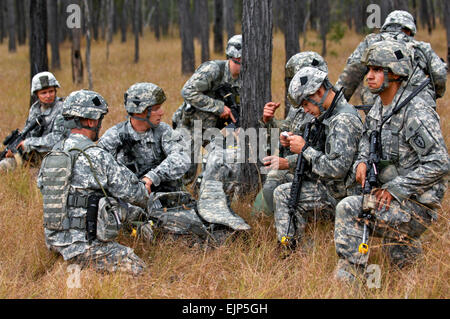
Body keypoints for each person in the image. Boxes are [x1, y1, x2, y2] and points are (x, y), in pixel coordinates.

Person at [333, 40, 449, 283]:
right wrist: (361, 162)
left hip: (416, 205)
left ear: (395, 74)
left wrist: (397, 189)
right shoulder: (380, 107)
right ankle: (408, 267)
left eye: (377, 71)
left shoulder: (415, 111)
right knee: (403, 266)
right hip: (393, 194)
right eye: (369, 70)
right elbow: (368, 139)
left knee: (348, 208)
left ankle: (350, 280)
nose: (369, 77)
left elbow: (439, 162)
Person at [38, 90, 151, 276]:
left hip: (54, 242)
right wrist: (145, 187)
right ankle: (82, 269)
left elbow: (43, 187)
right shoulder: (97, 156)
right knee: (141, 271)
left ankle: (66, 265)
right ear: (91, 121)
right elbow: (135, 194)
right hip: (85, 247)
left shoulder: (54, 153)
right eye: (99, 119)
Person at [272, 67, 363, 250]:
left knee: (283, 194)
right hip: (333, 188)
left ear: (319, 92)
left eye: (306, 104)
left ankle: (290, 250)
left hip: (343, 194)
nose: (306, 110)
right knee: (284, 190)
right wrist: (291, 142)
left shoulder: (342, 120)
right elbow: (320, 148)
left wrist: (304, 149)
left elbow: (336, 169)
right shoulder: (329, 115)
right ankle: (297, 247)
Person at [253, 51, 327, 215]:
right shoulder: (300, 106)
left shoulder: (325, 108)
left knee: (274, 186)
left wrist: (288, 162)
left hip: (311, 170)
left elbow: (321, 152)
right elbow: (289, 127)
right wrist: (269, 120)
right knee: (268, 190)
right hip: (295, 162)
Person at [336, 10, 447, 112]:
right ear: (409, 30)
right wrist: (434, 94)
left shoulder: (371, 42)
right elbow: (440, 75)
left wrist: (335, 105)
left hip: (379, 105)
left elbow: (351, 75)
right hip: (419, 105)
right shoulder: (422, 47)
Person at [173, 34, 242, 185]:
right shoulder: (213, 69)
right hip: (191, 126)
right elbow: (188, 91)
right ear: (234, 58)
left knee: (221, 162)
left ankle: (204, 189)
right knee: (185, 174)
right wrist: (218, 107)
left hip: (214, 130)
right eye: (240, 61)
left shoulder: (244, 80)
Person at [98, 82, 190, 194]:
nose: (162, 112)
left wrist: (153, 176)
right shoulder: (113, 137)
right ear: (139, 111)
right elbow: (99, 172)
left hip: (167, 198)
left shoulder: (164, 131)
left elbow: (182, 158)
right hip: (128, 202)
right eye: (156, 109)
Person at [0, 71, 67, 171]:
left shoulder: (63, 108)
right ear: (36, 94)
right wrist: (15, 151)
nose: (48, 96)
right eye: (43, 93)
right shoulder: (35, 109)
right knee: (3, 165)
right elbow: (28, 134)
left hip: (55, 159)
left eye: (51, 91)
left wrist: (28, 144)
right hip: (33, 157)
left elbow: (58, 138)